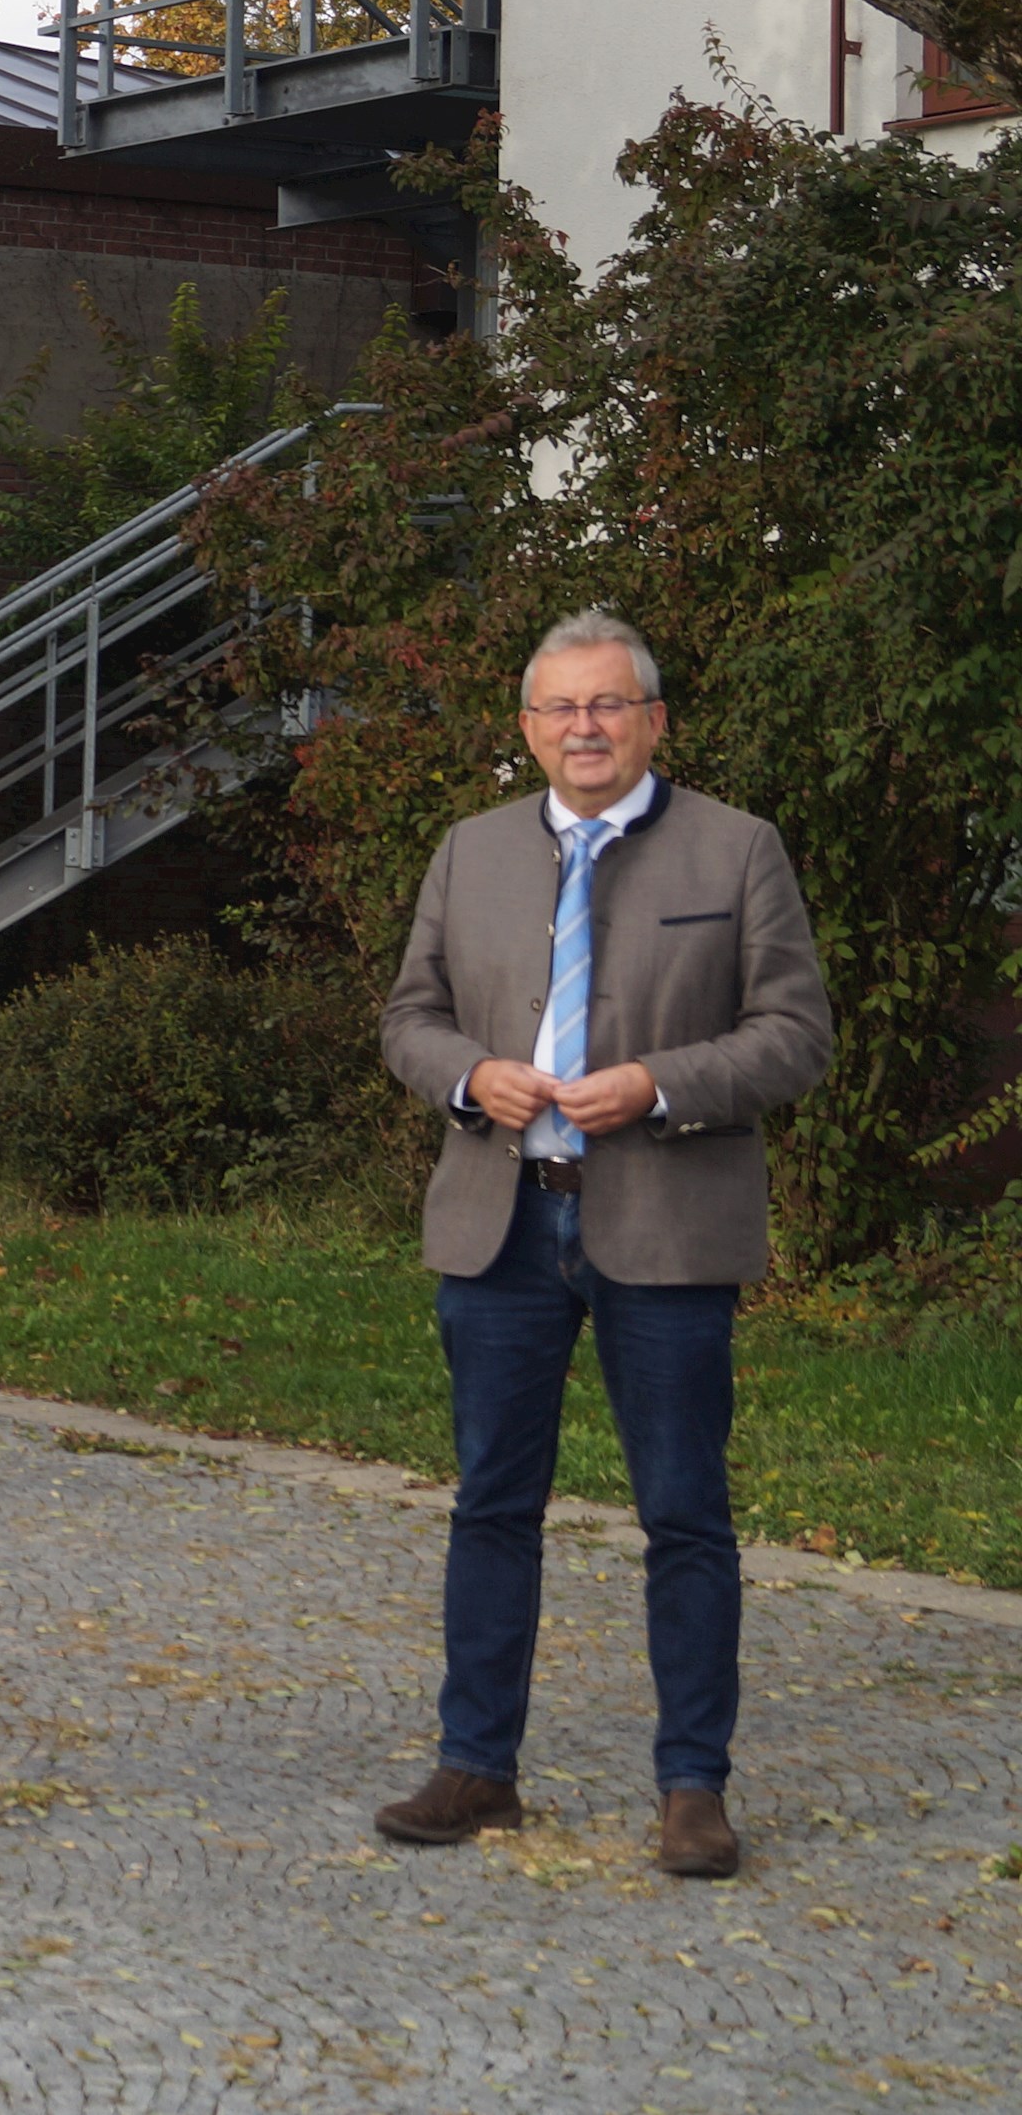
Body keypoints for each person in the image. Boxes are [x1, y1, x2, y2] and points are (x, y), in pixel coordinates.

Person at [375, 609, 831, 1880]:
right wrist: (469, 1076)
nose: (584, 728)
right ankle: (477, 1767)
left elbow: (795, 1036)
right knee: (490, 1506)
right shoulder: (468, 853)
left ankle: (693, 1787)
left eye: (608, 705)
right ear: (526, 729)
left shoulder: (736, 851)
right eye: (559, 709)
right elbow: (407, 1017)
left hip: (665, 1222)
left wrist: (663, 1085)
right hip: (500, 1225)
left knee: (684, 1513)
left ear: (652, 721)